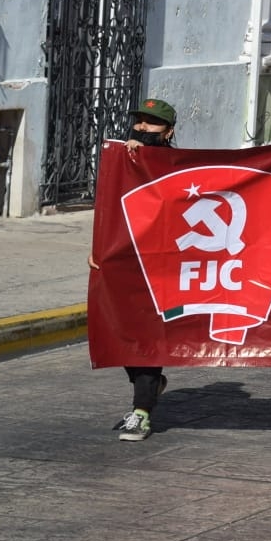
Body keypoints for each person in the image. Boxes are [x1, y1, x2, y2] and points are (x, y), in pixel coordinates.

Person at [94, 98, 178, 442]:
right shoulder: (124, 160)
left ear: (169, 132)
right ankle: (150, 385)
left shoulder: (178, 163)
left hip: (163, 263)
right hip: (125, 260)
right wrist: (96, 248)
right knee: (120, 331)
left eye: (152, 123)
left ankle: (141, 413)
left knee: (147, 337)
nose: (142, 128)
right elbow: (106, 207)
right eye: (139, 121)